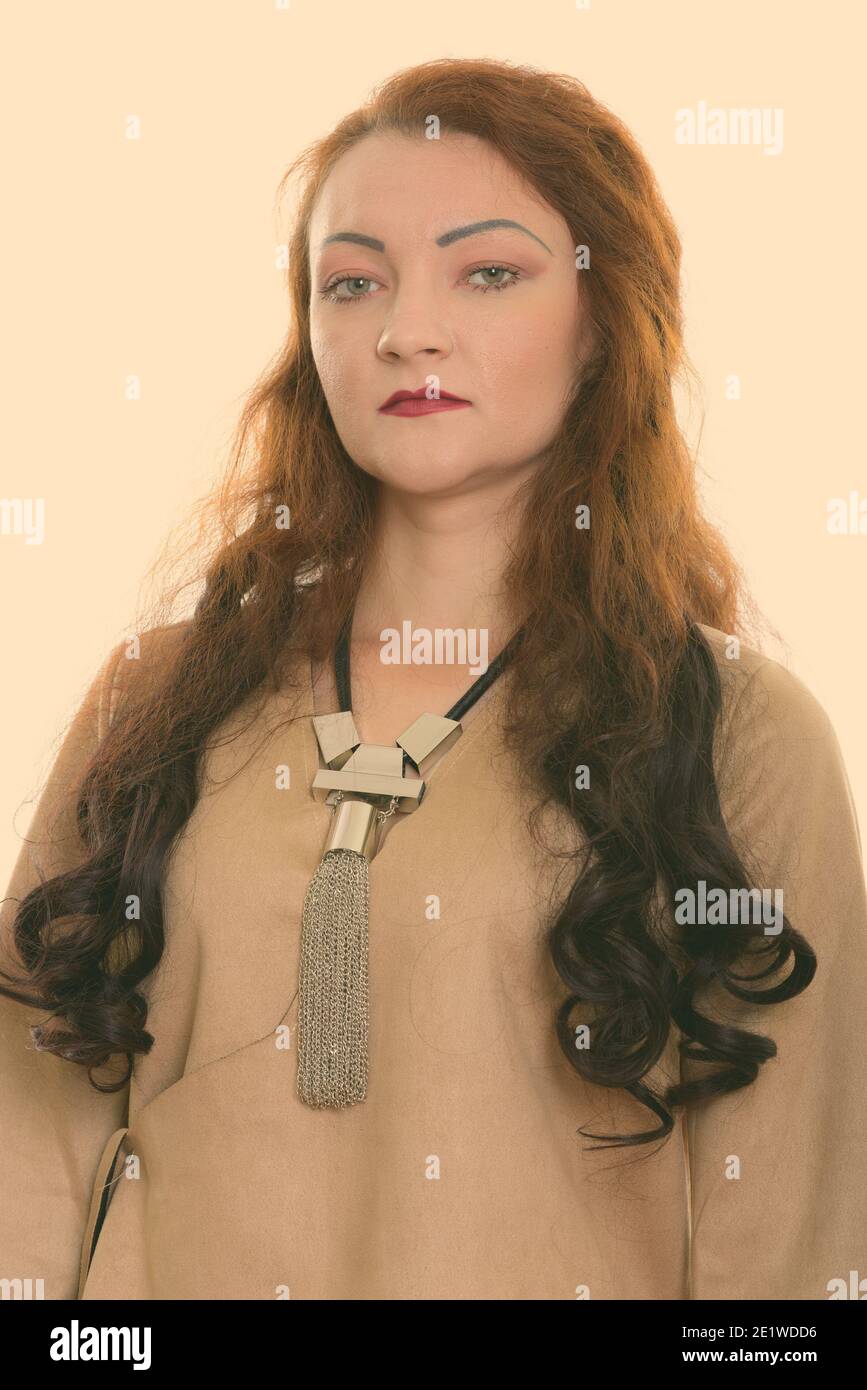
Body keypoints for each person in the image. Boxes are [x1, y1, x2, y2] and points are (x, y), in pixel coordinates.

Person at [1, 57, 865, 1302]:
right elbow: (31, 1141)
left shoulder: (743, 738)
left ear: (602, 319)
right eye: (354, 281)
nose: (407, 327)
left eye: (489, 271)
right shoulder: (158, 694)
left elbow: (790, 1233)